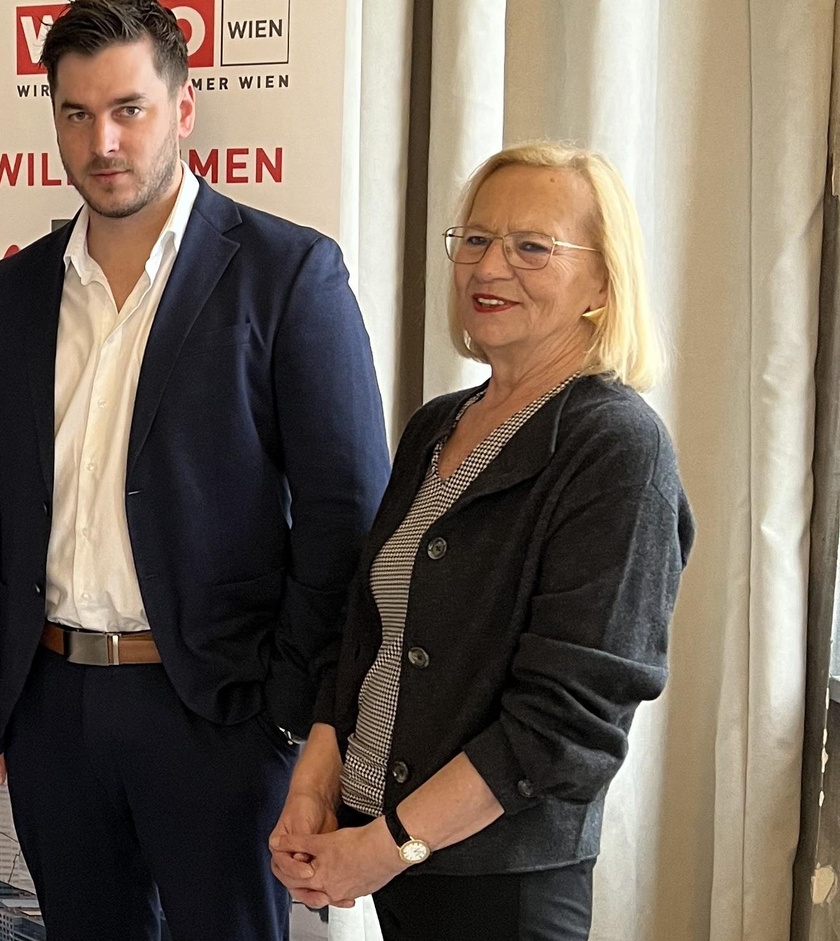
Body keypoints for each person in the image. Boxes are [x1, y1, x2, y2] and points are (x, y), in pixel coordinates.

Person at [0, 1, 392, 938]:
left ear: (183, 109)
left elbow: (345, 517)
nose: (101, 141)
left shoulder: (288, 273)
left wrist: (290, 710)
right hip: (52, 707)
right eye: (76, 114)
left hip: (218, 713)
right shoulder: (15, 292)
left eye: (129, 109)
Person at [269, 142, 696, 940]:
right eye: (475, 238)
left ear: (603, 282)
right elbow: (364, 636)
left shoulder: (617, 447)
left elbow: (565, 725)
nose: (489, 266)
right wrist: (313, 789)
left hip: (502, 887)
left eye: (532, 246)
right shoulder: (439, 424)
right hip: (402, 862)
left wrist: (390, 846)